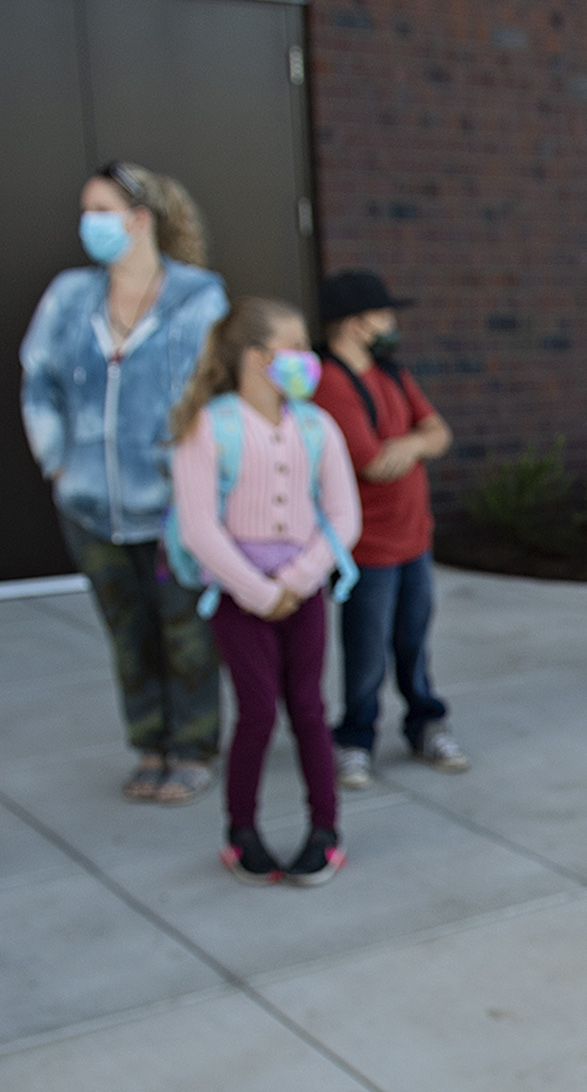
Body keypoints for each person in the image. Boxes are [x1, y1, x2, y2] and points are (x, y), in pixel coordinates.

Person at [20, 161, 228, 804]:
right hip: (89, 505)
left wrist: (192, 480)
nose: (90, 223)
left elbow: (208, 392)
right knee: (126, 632)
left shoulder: (197, 295)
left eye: (102, 210)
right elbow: (39, 381)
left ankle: (193, 745)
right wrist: (58, 461)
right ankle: (149, 745)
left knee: (184, 630)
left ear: (140, 220)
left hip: (170, 510)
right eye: (88, 211)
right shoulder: (69, 296)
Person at [165, 298, 361, 887]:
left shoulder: (316, 426)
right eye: (296, 347)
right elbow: (199, 527)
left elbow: (343, 516)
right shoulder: (207, 427)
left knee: (308, 709)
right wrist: (256, 591)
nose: (309, 359)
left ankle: (325, 831)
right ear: (256, 358)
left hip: (301, 594)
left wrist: (298, 582)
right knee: (255, 712)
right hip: (238, 595)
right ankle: (241, 830)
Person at [313, 270, 466, 788]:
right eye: (383, 314)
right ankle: (354, 740)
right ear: (355, 325)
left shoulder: (392, 374)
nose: (392, 323)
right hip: (367, 549)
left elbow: (439, 432)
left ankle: (426, 724)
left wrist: (411, 445)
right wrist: (411, 444)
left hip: (413, 539)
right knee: (366, 651)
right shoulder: (330, 382)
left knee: (412, 642)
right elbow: (371, 462)